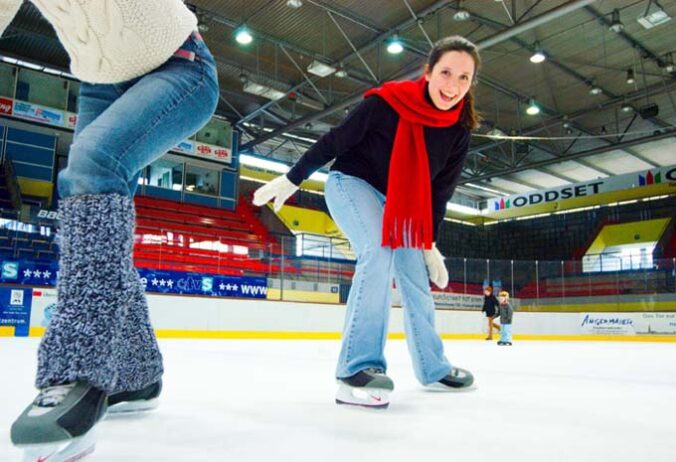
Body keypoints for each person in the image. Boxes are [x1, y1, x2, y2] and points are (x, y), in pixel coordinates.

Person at [1, 1, 219, 460]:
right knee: (91, 201)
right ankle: (138, 375)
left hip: (179, 66)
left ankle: (75, 372)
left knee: (92, 166)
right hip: (98, 83)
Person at [253, 36, 480, 408]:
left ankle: (433, 367)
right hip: (352, 184)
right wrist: (292, 178)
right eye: (445, 73)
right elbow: (335, 141)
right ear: (427, 72)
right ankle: (357, 369)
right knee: (378, 250)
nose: (452, 86)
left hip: (404, 205)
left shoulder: (458, 130)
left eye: (464, 78)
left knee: (415, 279)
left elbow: (438, 193)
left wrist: (428, 244)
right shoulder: (386, 104)